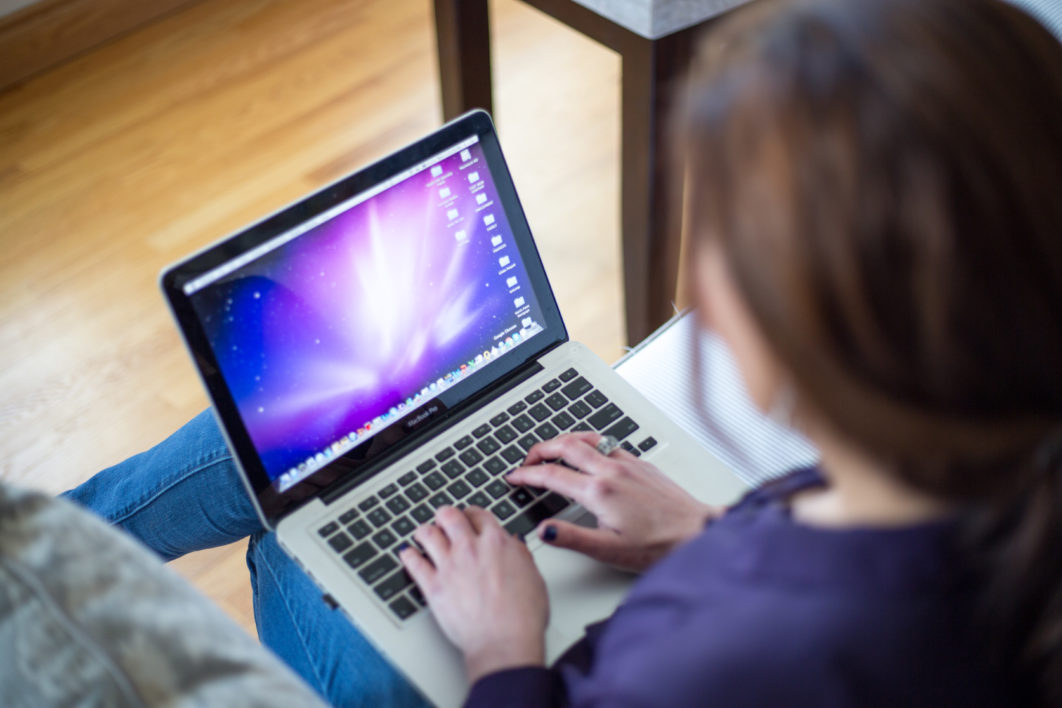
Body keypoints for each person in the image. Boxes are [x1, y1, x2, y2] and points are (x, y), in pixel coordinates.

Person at [8, 0, 1062, 704]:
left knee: (293, 524)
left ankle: (29, 574)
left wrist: (502, 648)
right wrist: (711, 528)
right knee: (309, 447)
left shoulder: (747, 655)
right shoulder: (1004, 481)